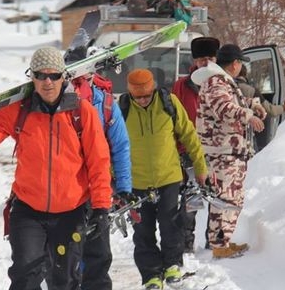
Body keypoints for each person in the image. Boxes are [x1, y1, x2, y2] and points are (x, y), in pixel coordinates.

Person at [0, 46, 112, 290]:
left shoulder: (80, 112)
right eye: (40, 75)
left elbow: (99, 162)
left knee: (64, 280)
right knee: (25, 274)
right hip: (29, 209)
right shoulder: (20, 110)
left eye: (54, 75)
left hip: (71, 211)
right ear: (32, 77)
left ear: (64, 77)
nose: (47, 82)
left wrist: (101, 207)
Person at [122, 68, 208, 290]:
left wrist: (200, 166)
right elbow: (112, 146)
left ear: (153, 89)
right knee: (143, 230)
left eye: (146, 95)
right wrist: (116, 179)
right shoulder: (121, 109)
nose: (142, 100)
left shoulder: (168, 103)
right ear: (130, 93)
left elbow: (189, 134)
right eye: (137, 96)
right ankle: (151, 274)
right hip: (137, 182)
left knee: (171, 224)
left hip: (168, 177)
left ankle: (171, 264)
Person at [192, 44, 266, 259]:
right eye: (240, 63)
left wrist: (253, 104)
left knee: (232, 197)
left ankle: (224, 241)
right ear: (235, 64)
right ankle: (219, 244)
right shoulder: (216, 81)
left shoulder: (222, 80)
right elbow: (223, 108)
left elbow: (233, 101)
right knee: (224, 198)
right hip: (222, 150)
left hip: (229, 149)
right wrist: (248, 116)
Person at [67, 59, 133, 290]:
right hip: (63, 190)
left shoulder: (104, 102)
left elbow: (120, 145)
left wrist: (124, 186)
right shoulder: (55, 100)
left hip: (96, 189)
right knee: (64, 258)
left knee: (97, 254)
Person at [171, 36, 220, 253]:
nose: (205, 63)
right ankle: (185, 243)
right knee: (190, 199)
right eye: (201, 59)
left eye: (209, 58)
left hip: (217, 150)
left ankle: (216, 241)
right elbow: (172, 119)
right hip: (189, 150)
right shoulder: (182, 86)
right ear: (195, 61)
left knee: (218, 196)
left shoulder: (223, 82)